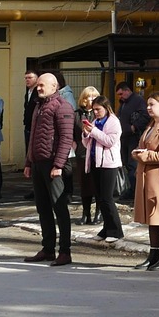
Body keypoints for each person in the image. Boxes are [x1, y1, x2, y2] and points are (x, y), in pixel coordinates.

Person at [25, 71, 74, 262]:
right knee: (43, 208)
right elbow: (33, 137)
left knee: (59, 208)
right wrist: (29, 162)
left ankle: (65, 251)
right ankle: (48, 249)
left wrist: (58, 164)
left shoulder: (62, 106)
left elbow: (66, 138)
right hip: (38, 163)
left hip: (53, 165)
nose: (38, 88)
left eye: (42, 85)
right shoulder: (39, 106)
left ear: (54, 86)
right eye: (37, 85)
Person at [130, 91, 159, 269]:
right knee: (152, 216)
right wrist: (137, 153)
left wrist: (143, 155)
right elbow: (143, 146)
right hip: (146, 177)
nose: (148, 108)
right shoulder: (151, 125)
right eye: (147, 104)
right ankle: (153, 254)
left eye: (151, 104)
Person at [83, 94, 124, 241]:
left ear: (106, 108)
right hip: (95, 162)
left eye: (98, 109)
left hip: (108, 164)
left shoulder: (113, 122)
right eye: (94, 109)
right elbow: (87, 144)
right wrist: (86, 133)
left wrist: (93, 131)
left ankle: (116, 231)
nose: (95, 112)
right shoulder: (96, 121)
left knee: (107, 198)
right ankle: (106, 229)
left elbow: (110, 141)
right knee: (100, 198)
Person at [115, 80, 149, 202]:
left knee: (132, 164)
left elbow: (145, 116)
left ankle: (134, 190)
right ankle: (132, 189)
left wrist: (134, 127)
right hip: (125, 137)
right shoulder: (124, 103)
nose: (120, 97)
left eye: (121, 94)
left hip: (133, 137)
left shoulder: (138, 101)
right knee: (128, 164)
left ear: (127, 91)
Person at [73, 87, 102, 225]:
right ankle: (86, 214)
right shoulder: (77, 114)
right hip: (82, 153)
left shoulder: (100, 114)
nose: (92, 99)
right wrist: (75, 146)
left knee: (97, 184)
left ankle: (99, 213)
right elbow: (71, 132)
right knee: (84, 185)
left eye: (95, 96)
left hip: (97, 153)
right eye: (90, 96)